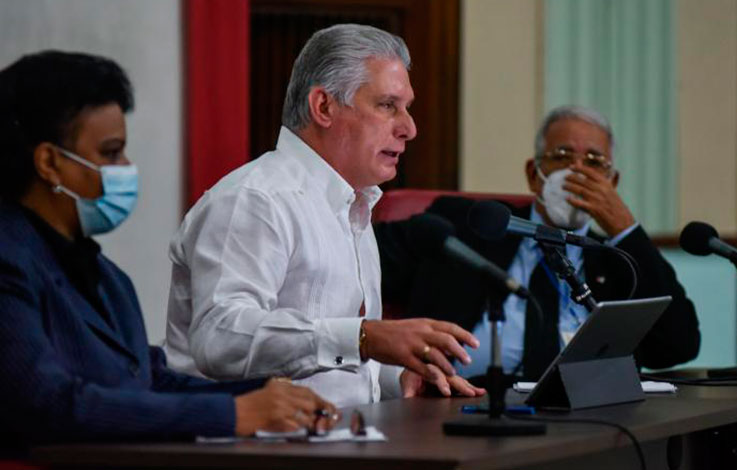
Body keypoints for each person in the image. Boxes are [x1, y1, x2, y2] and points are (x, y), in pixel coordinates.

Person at [0, 51, 337, 455]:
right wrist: (232, 415)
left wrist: (266, 394)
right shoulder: (9, 260)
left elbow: (149, 380)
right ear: (49, 162)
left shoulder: (106, 276)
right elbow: (48, 406)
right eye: (110, 153)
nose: (126, 167)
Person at [165, 24, 485, 407]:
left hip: (343, 439)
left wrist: (398, 375)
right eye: (387, 106)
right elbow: (220, 339)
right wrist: (364, 337)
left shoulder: (355, 205)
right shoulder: (254, 200)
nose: (409, 129)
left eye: (407, 109)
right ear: (324, 107)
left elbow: (341, 370)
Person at [376, 105, 701, 380]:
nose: (577, 171)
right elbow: (363, 261)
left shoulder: (618, 261)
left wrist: (625, 230)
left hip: (585, 420)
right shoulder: (470, 224)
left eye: (594, 162)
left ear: (612, 182)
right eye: (562, 156)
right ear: (534, 173)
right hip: (461, 406)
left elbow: (678, 345)